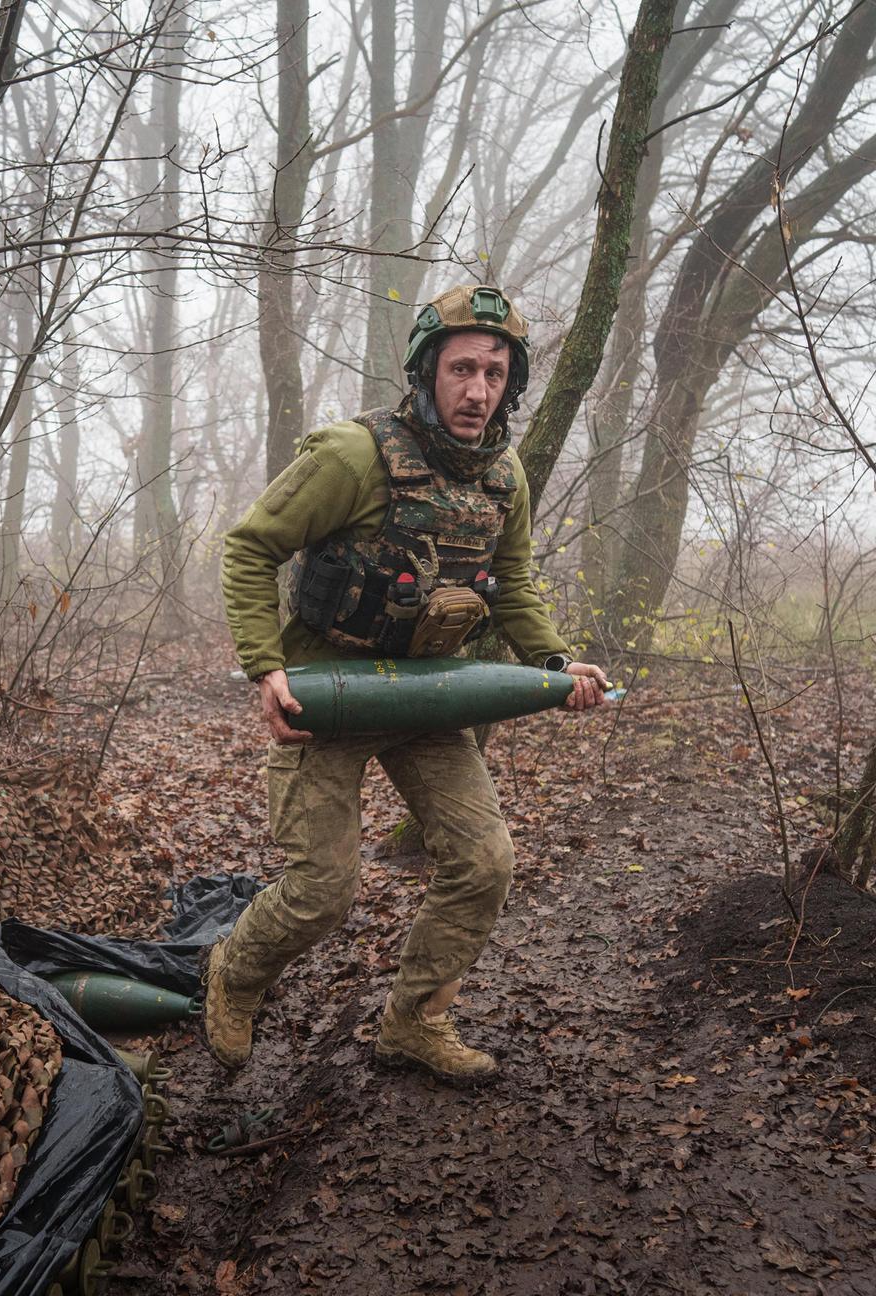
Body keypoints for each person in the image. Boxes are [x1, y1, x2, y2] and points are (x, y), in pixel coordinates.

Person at [207, 284, 607, 1082]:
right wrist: (267, 669)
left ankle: (415, 1022)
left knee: (485, 861)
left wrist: (556, 662)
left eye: (495, 374)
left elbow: (515, 580)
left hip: (428, 696)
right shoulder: (353, 457)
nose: (478, 391)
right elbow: (250, 549)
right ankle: (233, 974)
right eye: (462, 370)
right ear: (427, 372)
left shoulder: (504, 478)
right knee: (322, 890)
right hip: (328, 691)